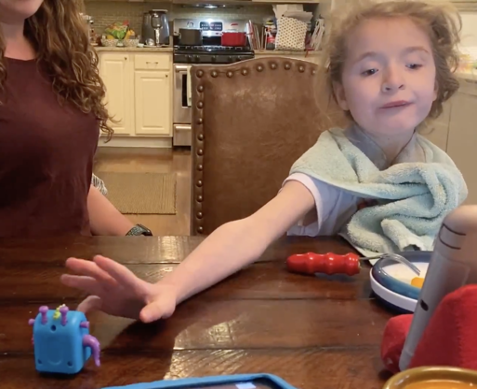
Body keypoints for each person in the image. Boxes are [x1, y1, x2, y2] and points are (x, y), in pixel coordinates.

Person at [61, 0, 467, 322]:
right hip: (329, 318)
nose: (394, 79)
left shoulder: (438, 172)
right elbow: (252, 230)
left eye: (414, 64)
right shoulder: (334, 160)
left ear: (437, 81)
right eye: (371, 69)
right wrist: (169, 287)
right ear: (341, 93)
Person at [0, 0, 150, 237]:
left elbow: (63, 180)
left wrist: (134, 236)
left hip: (74, 263)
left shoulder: (55, 55)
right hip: (20, 271)